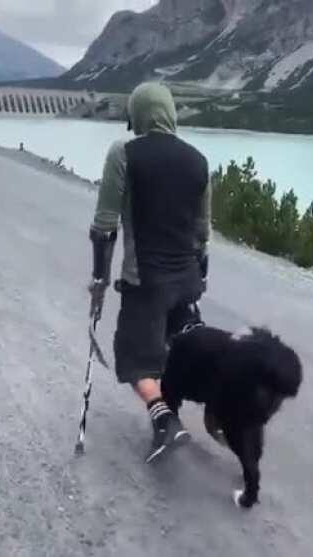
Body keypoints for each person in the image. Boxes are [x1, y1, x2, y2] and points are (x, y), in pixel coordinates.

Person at [88, 82, 211, 462]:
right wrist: (200, 279)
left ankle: (165, 422)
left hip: (147, 281)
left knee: (134, 355)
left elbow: (105, 225)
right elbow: (203, 232)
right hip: (188, 278)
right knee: (179, 347)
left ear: (139, 114)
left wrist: (99, 279)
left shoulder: (124, 152)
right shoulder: (199, 160)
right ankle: (221, 406)